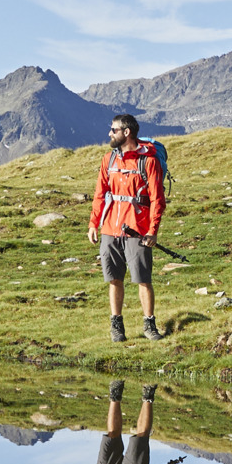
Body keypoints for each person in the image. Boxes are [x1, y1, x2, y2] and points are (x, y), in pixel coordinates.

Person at [91, 111, 171, 343]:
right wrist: (93, 223)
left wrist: (152, 230)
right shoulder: (109, 159)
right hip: (110, 228)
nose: (109, 133)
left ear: (127, 133)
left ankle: (149, 325)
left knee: (143, 279)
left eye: (113, 130)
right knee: (114, 278)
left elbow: (158, 199)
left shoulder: (149, 160)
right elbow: (100, 194)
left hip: (138, 230)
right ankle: (116, 326)